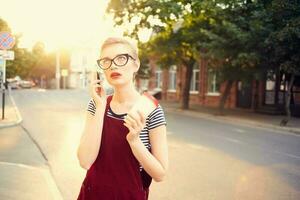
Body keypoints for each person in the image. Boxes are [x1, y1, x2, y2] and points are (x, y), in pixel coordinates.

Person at [77, 37, 169, 200]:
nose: (113, 65)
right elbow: (85, 161)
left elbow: (160, 174)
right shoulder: (97, 105)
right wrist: (100, 107)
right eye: (106, 61)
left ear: (136, 64)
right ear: (101, 70)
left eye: (121, 58)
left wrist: (135, 142)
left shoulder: (150, 110)